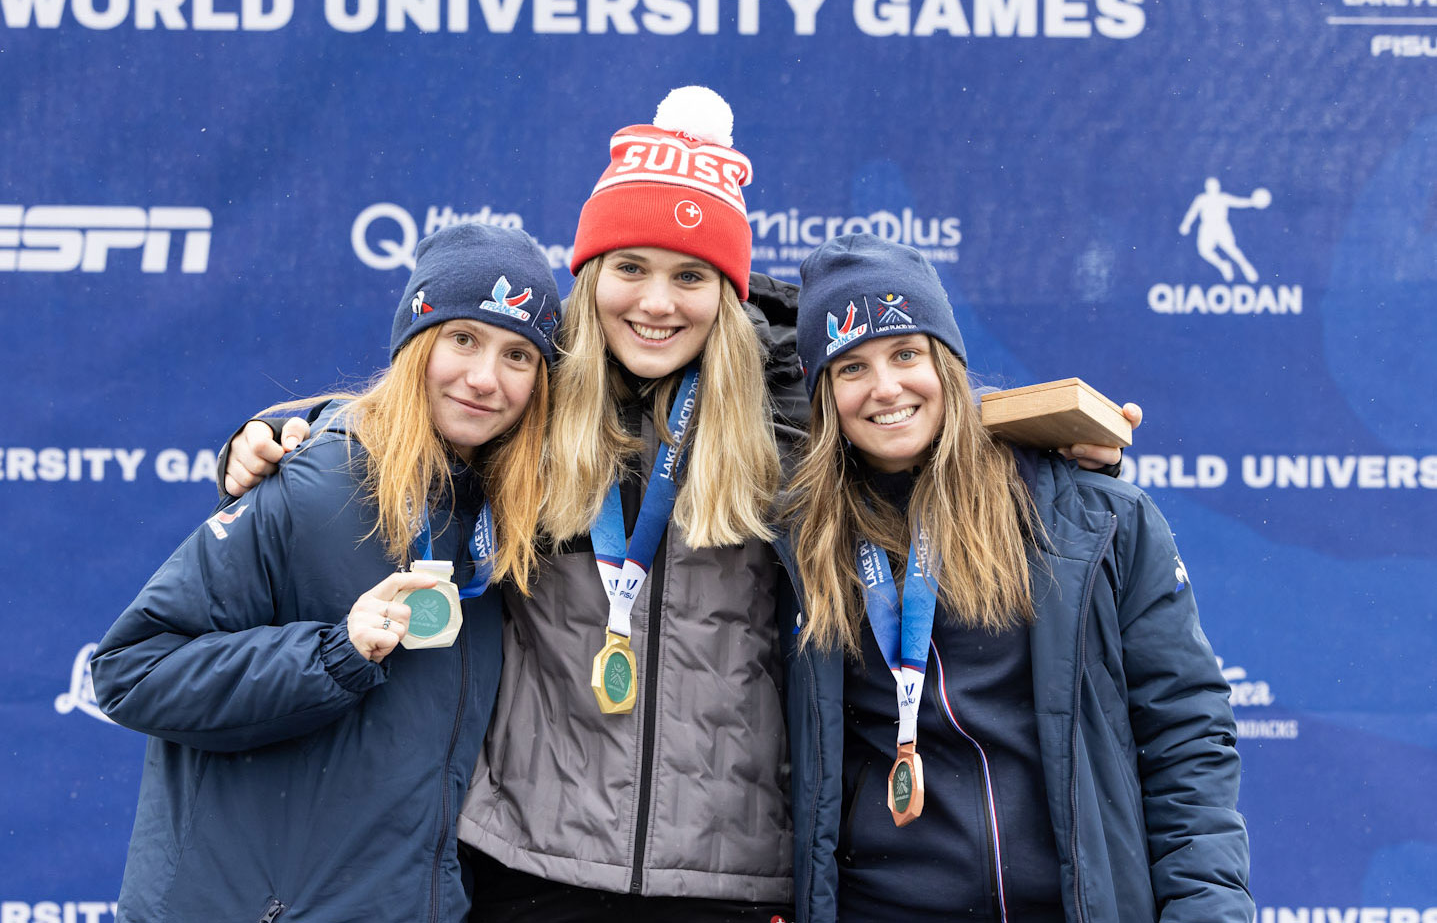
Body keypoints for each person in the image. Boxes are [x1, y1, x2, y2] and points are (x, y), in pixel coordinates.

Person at [218, 88, 1140, 923]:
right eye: (630, 267)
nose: (656, 303)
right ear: (589, 273)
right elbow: (430, 398)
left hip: (734, 877)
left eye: (690, 276)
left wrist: (1052, 439)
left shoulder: (789, 413)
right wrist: (288, 424)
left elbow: (913, 417)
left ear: (727, 293)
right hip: (527, 867)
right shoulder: (532, 400)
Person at [88, 223, 561, 923]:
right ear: (414, 346)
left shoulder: (507, 526)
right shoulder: (315, 481)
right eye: (463, 339)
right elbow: (132, 669)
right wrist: (330, 655)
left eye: (518, 354)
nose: (485, 378)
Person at [778, 234, 1252, 922]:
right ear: (820, 390)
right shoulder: (795, 542)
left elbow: (1185, 734)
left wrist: (1205, 907)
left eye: (906, 353)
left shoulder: (1092, 518)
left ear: (947, 364)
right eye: (850, 367)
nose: (885, 387)